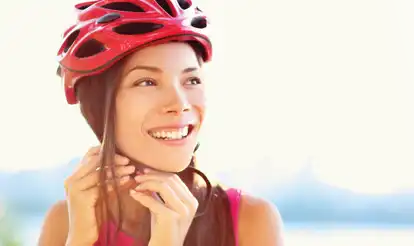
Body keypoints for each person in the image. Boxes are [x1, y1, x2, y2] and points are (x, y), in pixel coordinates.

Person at [38, 0, 284, 245]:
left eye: (192, 80)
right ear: (98, 106)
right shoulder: (67, 222)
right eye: (147, 82)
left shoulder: (251, 222)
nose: (180, 103)